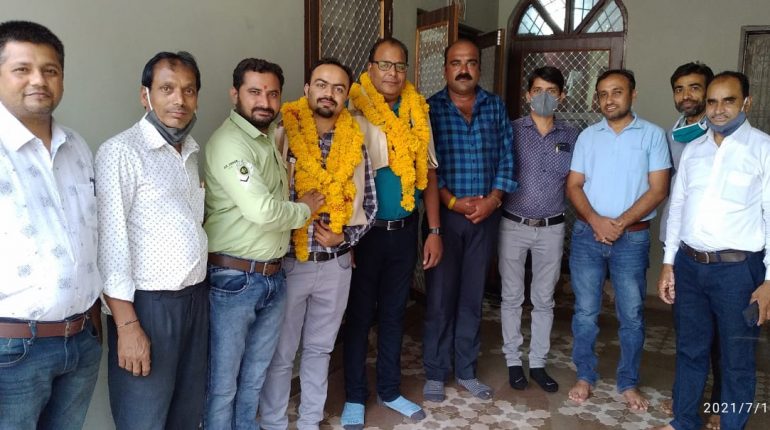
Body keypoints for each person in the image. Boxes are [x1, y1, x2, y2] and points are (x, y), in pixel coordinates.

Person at [203, 58, 324, 430]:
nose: (264, 102)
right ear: (235, 94)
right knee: (223, 384)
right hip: (234, 279)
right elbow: (262, 210)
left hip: (271, 276)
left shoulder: (266, 138)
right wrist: (306, 209)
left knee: (254, 374)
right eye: (254, 92)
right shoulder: (230, 142)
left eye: (272, 94)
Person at [259, 58, 377, 430]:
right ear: (307, 89)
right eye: (322, 85)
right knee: (281, 352)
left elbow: (371, 204)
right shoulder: (281, 135)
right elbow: (265, 200)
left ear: (346, 97)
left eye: (339, 88)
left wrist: (347, 237)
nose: (329, 93)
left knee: (320, 349)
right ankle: (274, 422)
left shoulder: (355, 142)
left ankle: (310, 420)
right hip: (290, 263)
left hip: (335, 265)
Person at [96, 51, 208, 430]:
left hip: (194, 300)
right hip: (147, 308)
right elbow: (110, 245)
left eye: (188, 90)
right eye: (167, 89)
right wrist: (127, 326)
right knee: (143, 417)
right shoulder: (121, 152)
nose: (179, 100)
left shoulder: (189, 151)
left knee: (186, 414)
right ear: (145, 95)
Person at [0, 20, 102, 430]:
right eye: (22, 69)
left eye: (50, 70)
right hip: (12, 350)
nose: (39, 80)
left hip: (80, 340)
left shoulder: (77, 147)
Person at [655, 71, 770, 430]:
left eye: (728, 100)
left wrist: (769, 281)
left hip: (738, 272)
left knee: (736, 358)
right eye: (712, 101)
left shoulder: (763, 149)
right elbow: (678, 207)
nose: (719, 109)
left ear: (746, 102)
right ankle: (684, 421)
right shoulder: (694, 149)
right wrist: (668, 262)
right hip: (689, 266)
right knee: (690, 350)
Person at [341, 37, 442, 428]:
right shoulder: (353, 111)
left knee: (395, 313)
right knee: (359, 315)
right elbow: (341, 178)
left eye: (400, 66)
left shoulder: (418, 111)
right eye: (385, 64)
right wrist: (346, 237)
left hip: (404, 231)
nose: (393, 73)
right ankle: (354, 395)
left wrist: (433, 229)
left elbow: (429, 174)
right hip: (364, 234)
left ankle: (389, 388)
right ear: (370, 68)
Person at [565, 69, 670, 412]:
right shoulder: (588, 136)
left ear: (632, 94)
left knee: (633, 314)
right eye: (602, 94)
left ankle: (628, 382)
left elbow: (658, 189)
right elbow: (574, 185)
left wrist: (619, 224)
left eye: (617, 92)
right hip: (587, 235)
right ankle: (585, 375)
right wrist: (597, 221)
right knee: (585, 311)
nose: (609, 99)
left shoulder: (653, 135)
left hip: (632, 238)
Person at [423, 38, 516, 402]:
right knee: (440, 297)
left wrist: (493, 201)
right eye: (456, 63)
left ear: (479, 67)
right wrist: (452, 201)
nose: (464, 69)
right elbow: (425, 167)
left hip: (485, 219)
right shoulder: (429, 109)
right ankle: (435, 372)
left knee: (472, 296)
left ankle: (466, 370)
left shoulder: (495, 107)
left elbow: (508, 157)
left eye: (471, 62)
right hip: (445, 218)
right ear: (445, 68)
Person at [498, 66, 578, 393]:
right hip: (513, 224)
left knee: (544, 299)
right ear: (528, 94)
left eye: (551, 91)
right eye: (538, 90)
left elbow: (579, 180)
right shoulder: (511, 130)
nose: (544, 97)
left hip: (552, 227)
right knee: (512, 296)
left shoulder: (572, 135)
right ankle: (513, 361)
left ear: (562, 96)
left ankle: (538, 363)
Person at [658, 62, 722, 429]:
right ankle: (686, 396)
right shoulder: (674, 134)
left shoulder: (723, 135)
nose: (687, 96)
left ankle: (720, 404)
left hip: (717, 248)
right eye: (680, 89)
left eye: (695, 88)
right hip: (679, 245)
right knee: (688, 331)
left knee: (721, 336)